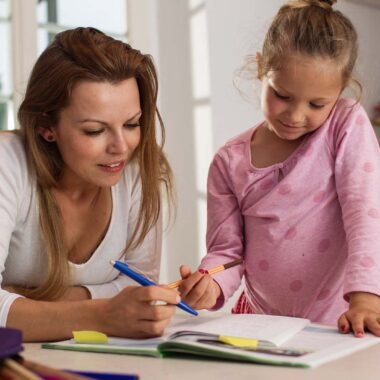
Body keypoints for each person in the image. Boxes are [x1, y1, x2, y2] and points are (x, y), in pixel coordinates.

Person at [177, 0, 380, 337]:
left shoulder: (345, 124)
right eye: (282, 95)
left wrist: (367, 299)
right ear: (261, 69)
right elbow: (227, 253)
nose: (295, 115)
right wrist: (209, 284)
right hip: (260, 325)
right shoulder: (229, 162)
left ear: (340, 91)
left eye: (317, 104)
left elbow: (366, 214)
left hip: (343, 320)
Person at [0, 27, 180, 342]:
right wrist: (102, 313)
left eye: (131, 124)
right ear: (46, 127)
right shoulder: (7, 163)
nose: (121, 147)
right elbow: (121, 304)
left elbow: (139, 288)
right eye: (95, 130)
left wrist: (28, 302)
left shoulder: (138, 170)